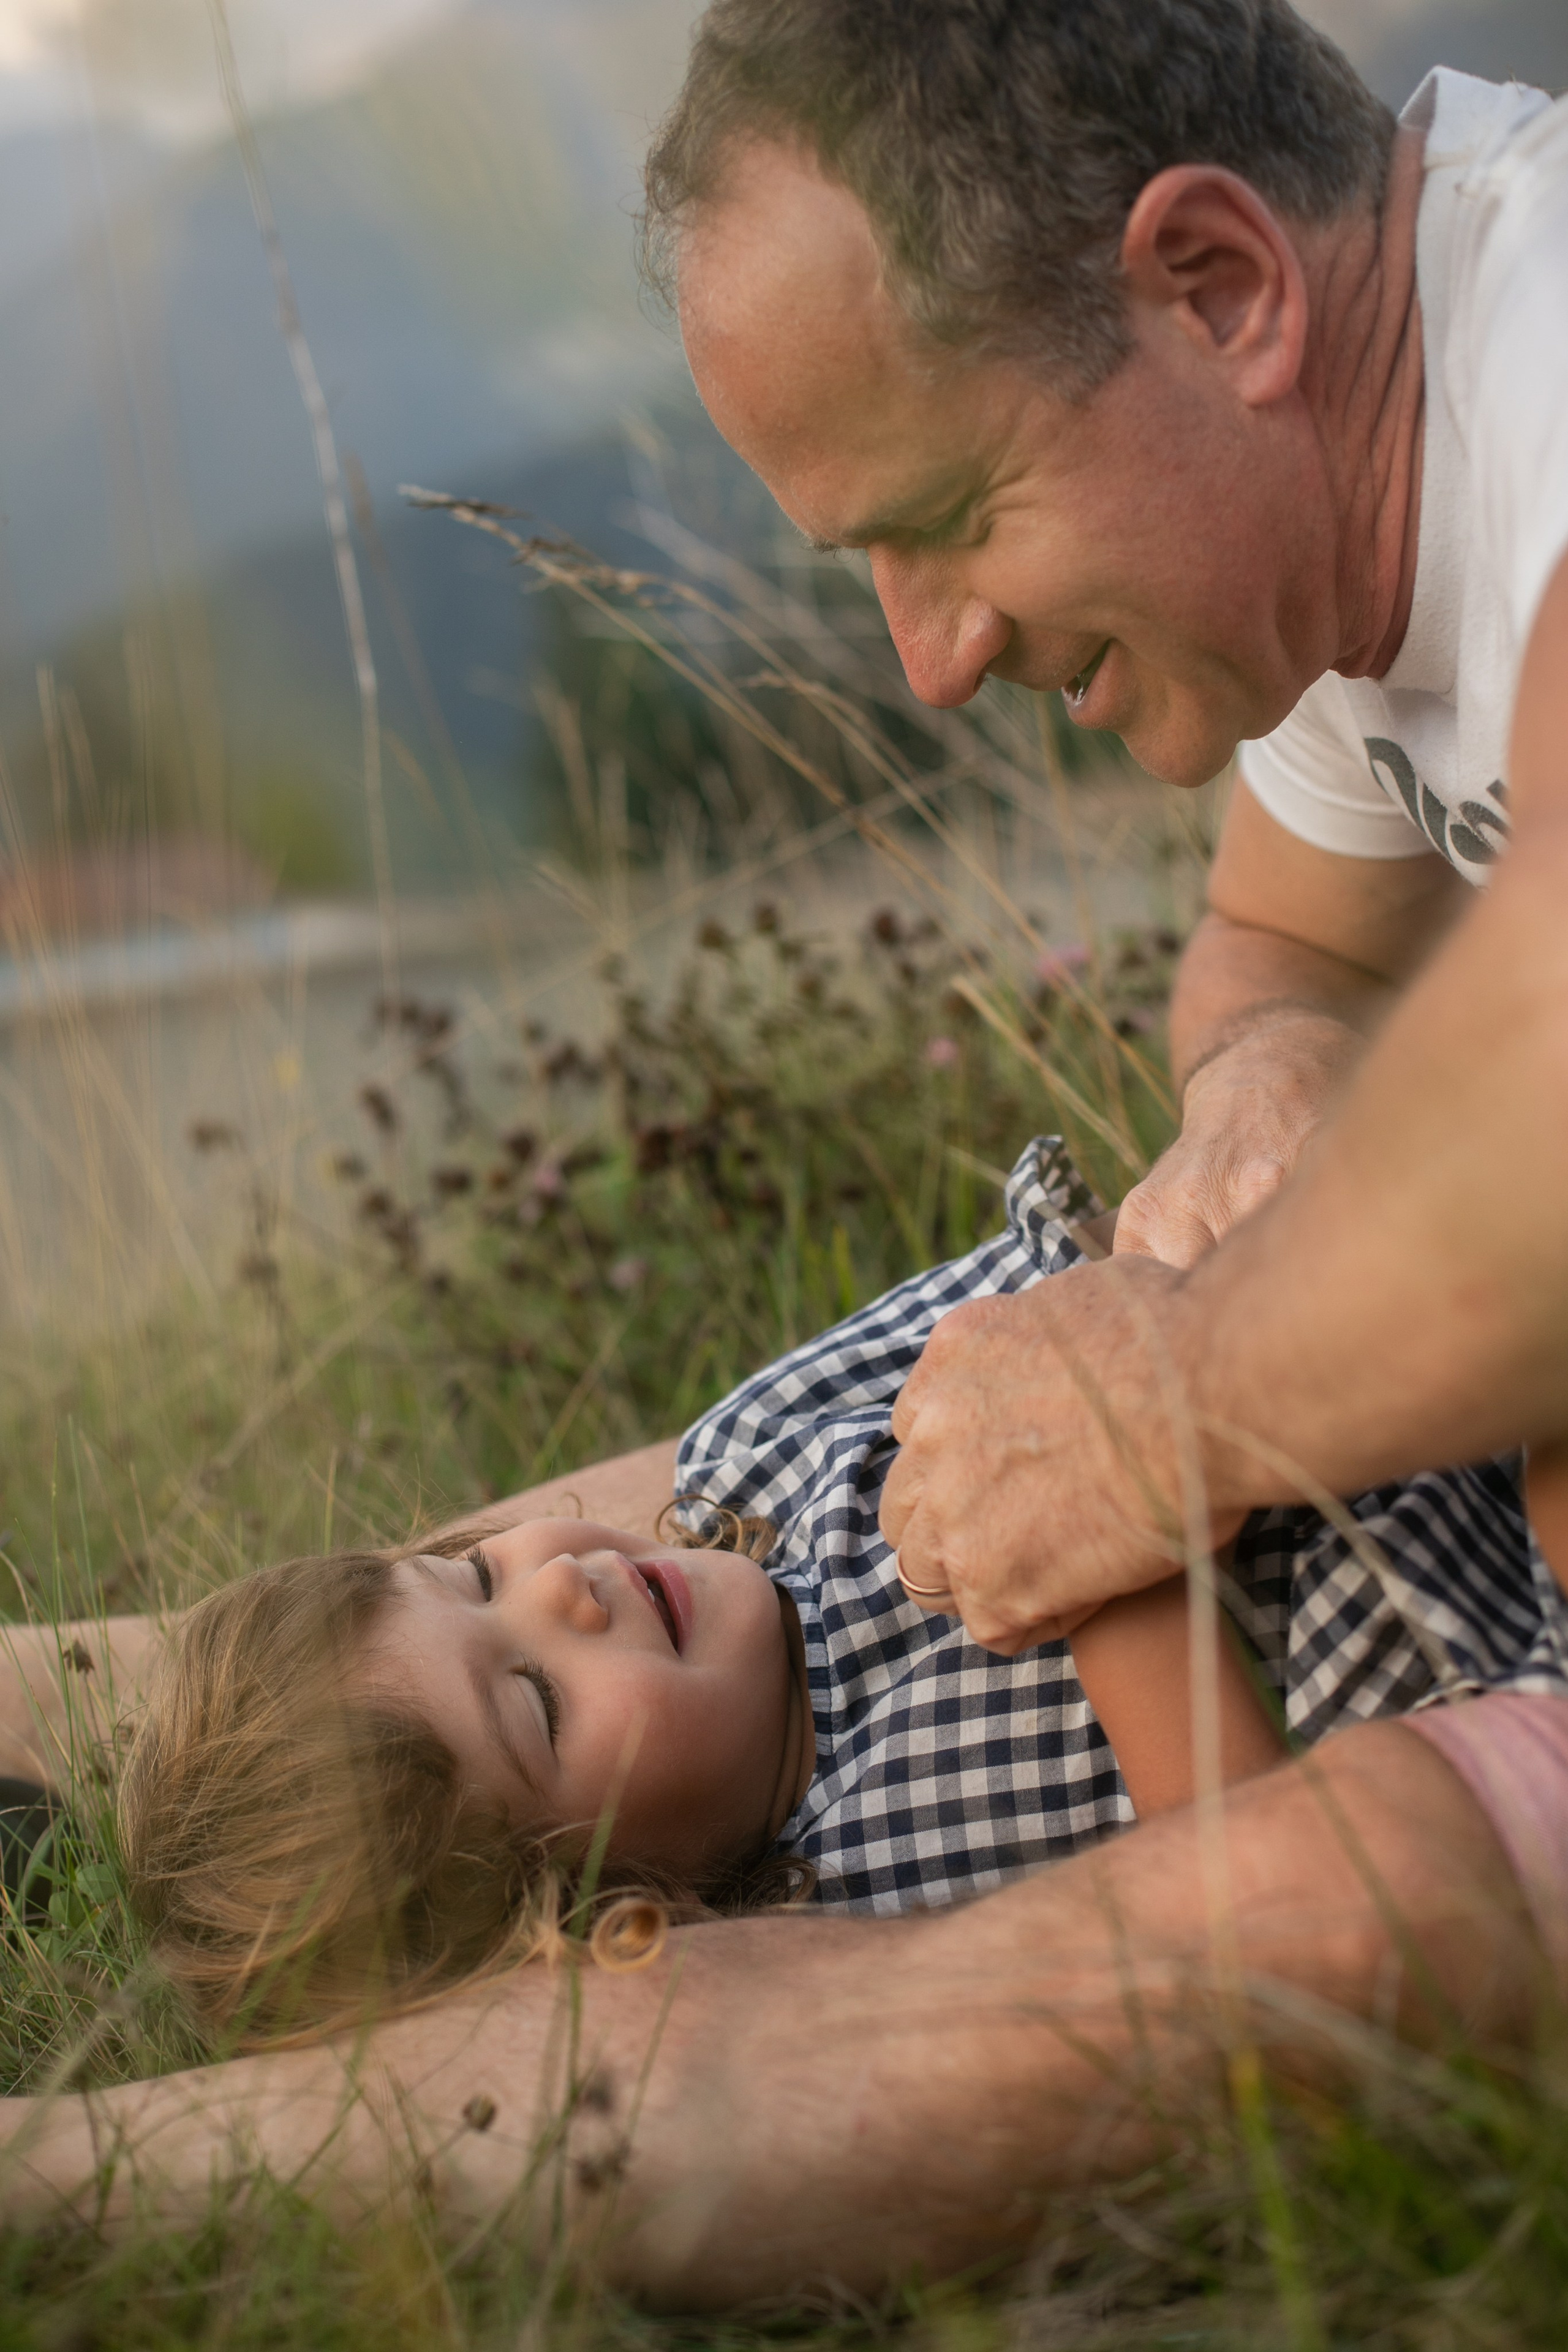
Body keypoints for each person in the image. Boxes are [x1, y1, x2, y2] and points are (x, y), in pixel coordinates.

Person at [6, 0, 1568, 2304]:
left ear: (1218, 289)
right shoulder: (1374, 483)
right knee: (791, 1461)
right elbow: (1278, 944)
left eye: (946, 522)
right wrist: (1267, 1085)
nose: (926, 658)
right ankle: (120, 1688)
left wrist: (1174, 1402)